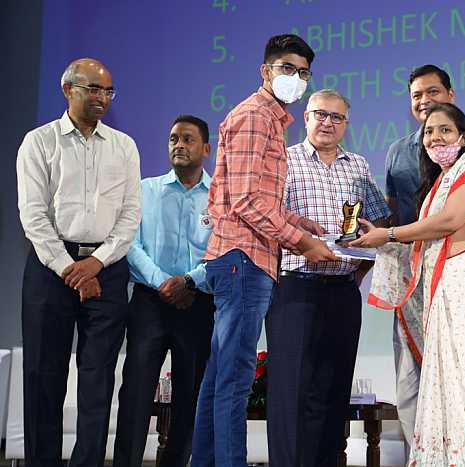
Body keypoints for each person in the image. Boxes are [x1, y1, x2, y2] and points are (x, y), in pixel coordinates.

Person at [351, 102, 465, 465]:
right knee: (453, 386)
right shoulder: (436, 186)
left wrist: (389, 234)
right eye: (429, 131)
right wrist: (379, 238)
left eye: (445, 130)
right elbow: (428, 238)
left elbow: (451, 220)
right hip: (453, 285)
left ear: (464, 137)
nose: (435, 138)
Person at [191, 34, 337, 467]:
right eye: (287, 68)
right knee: (234, 379)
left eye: (304, 73)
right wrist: (303, 243)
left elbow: (259, 199)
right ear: (265, 71)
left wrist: (302, 224)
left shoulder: (271, 119)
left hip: (245, 258)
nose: (296, 79)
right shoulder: (255, 116)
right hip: (243, 259)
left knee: (220, 376)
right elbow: (247, 202)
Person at [16, 58, 141, 466]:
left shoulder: (124, 146)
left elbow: (130, 216)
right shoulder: (39, 142)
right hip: (50, 270)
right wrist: (68, 268)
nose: (102, 97)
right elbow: (33, 216)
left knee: (98, 378)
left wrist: (96, 263)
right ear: (68, 89)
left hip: (106, 269)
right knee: (43, 375)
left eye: (108, 91)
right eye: (93, 89)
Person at [265, 89, 391, 467]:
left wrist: (361, 266)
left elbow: (380, 221)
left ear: (346, 125)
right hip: (295, 289)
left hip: (342, 293)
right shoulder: (283, 159)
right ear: (305, 117)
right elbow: (268, 218)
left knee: (333, 393)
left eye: (337, 117)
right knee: (292, 393)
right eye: (321, 114)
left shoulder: (358, 166)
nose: (328, 123)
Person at [383, 64, 465, 452]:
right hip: (410, 277)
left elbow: (462, 214)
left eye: (433, 92)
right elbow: (392, 213)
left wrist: (391, 234)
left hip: (456, 276)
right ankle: (422, 455)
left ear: (451, 95)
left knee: (456, 374)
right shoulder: (397, 151)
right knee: (409, 379)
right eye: (417, 95)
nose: (424, 101)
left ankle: (457, 455)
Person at [114, 115, 216, 466]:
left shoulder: (221, 197)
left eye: (188, 139)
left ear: (206, 149)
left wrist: (189, 281)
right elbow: (130, 244)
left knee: (190, 396)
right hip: (149, 304)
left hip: (198, 303)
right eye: (174, 138)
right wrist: (163, 282)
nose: (179, 145)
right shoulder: (146, 189)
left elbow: (222, 251)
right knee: (136, 393)